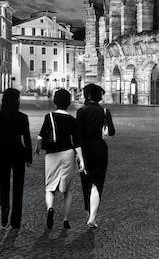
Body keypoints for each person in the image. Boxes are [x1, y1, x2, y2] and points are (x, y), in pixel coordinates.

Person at [35, 88, 84, 230]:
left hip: (52, 154)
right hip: (68, 154)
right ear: (68, 102)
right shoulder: (72, 120)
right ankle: (65, 220)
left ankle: (50, 208)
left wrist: (38, 148)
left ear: (55, 101)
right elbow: (77, 142)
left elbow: (40, 137)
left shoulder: (49, 116)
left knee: (50, 188)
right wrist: (81, 159)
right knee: (67, 190)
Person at [77, 83, 115, 229]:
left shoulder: (81, 112)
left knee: (86, 182)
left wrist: (79, 155)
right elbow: (111, 132)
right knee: (97, 182)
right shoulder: (105, 111)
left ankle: (89, 212)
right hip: (100, 149)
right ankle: (92, 217)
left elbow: (78, 135)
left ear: (87, 95)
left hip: (85, 150)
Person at [0, 88, 32, 230]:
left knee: (3, 185)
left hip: (2, 153)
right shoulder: (22, 117)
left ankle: (4, 208)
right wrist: (29, 156)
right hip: (18, 153)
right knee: (18, 188)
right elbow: (27, 138)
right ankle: (16, 219)